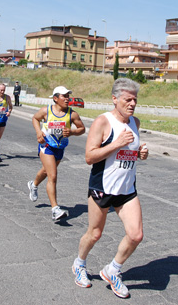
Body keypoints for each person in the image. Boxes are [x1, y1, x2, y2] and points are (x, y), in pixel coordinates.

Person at [72, 78, 148, 298]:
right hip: (102, 187)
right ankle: (79, 264)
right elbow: (89, 156)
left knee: (136, 235)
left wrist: (140, 153)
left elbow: (129, 153)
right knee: (95, 234)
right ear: (115, 99)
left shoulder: (136, 122)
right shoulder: (102, 122)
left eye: (135, 99)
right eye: (127, 99)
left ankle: (113, 270)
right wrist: (116, 143)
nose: (132, 104)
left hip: (127, 189)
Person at [27, 86, 85, 221]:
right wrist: (38, 132)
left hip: (60, 148)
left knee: (46, 171)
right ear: (55, 98)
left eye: (68, 96)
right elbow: (35, 119)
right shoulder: (46, 111)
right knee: (52, 175)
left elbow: (82, 129)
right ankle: (55, 209)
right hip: (46, 146)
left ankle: (33, 184)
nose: (67, 99)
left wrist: (72, 132)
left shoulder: (72, 114)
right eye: (64, 96)